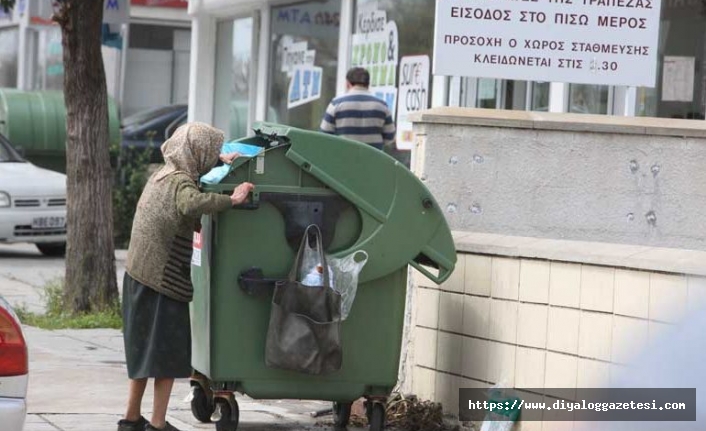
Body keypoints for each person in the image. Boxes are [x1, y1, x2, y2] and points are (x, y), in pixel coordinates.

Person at [117, 122, 254, 431]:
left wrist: (221, 162)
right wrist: (231, 200)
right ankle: (157, 424)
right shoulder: (181, 184)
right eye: (212, 152)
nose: (214, 157)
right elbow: (191, 202)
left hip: (138, 277)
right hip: (161, 281)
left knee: (142, 353)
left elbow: (188, 193)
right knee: (166, 354)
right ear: (197, 152)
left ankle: (131, 418)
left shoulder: (162, 175)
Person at [319, 67, 396, 150]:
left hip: (343, 158)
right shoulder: (382, 106)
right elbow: (390, 137)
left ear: (348, 84)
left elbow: (325, 135)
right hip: (373, 159)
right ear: (368, 84)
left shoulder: (336, 104)